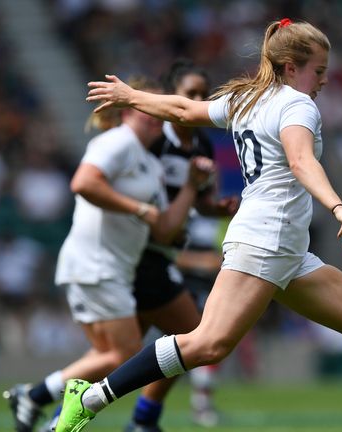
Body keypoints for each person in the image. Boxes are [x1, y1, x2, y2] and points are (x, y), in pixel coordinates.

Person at [57, 19, 342, 432]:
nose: (325, 79)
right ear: (290, 67)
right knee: (208, 343)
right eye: (319, 69)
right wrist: (337, 206)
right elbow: (300, 161)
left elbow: (183, 110)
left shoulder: (247, 99)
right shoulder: (297, 105)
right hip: (266, 241)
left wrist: (129, 95)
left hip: (287, 249)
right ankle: (90, 397)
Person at [3, 76, 216, 432]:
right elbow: (83, 183)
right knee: (123, 355)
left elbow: (164, 229)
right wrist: (137, 208)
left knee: (114, 355)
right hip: (95, 264)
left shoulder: (148, 163)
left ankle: (41, 402)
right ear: (130, 111)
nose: (152, 117)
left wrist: (193, 188)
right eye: (144, 109)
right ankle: (44, 402)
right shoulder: (118, 142)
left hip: (114, 269)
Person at [125, 60, 239, 432]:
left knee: (134, 350)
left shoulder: (202, 142)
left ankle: (52, 403)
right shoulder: (155, 141)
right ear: (173, 96)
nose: (198, 101)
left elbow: (198, 200)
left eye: (204, 95)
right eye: (190, 94)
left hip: (163, 253)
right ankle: (139, 420)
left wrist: (216, 208)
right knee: (182, 341)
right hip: (141, 253)